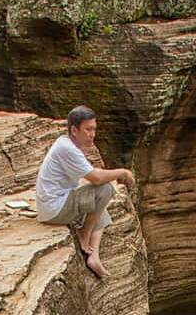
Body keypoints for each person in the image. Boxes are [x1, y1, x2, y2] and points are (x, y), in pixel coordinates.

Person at [35, 105, 136, 279]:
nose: (93, 134)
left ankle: (94, 257)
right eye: (88, 129)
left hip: (54, 205)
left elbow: (89, 174)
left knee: (98, 209)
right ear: (74, 130)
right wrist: (123, 172)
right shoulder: (67, 149)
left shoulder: (66, 144)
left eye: (94, 129)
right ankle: (84, 234)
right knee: (104, 190)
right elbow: (96, 178)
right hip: (55, 209)